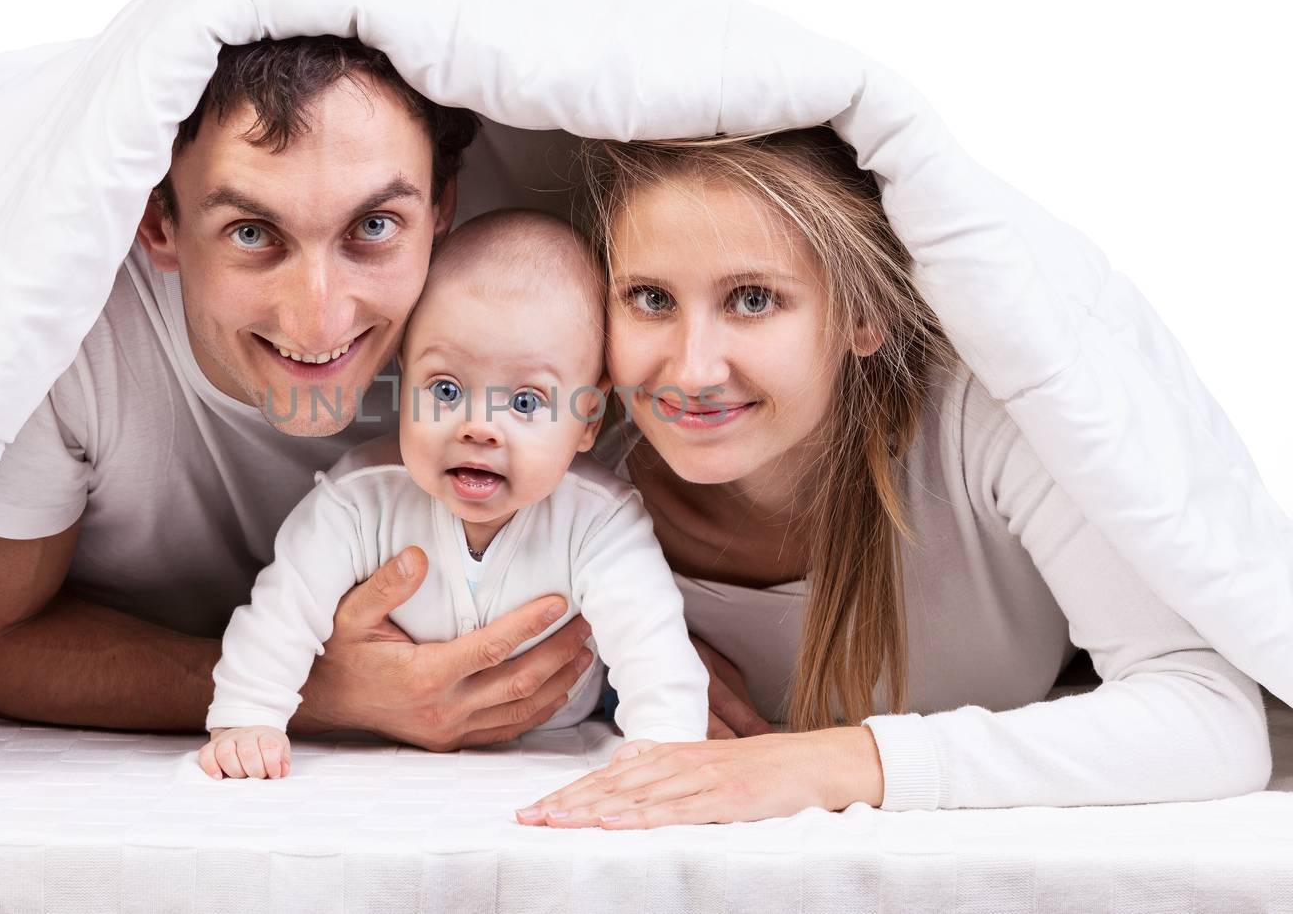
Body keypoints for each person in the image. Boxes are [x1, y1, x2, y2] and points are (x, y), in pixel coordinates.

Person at [515, 127, 1273, 828]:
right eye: (651, 299)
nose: (692, 368)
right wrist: (616, 671)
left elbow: (1214, 718)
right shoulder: (570, 491)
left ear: (863, 316)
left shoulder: (987, 422)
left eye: (753, 299)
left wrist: (837, 763)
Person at [0, 37, 601, 751]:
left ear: (440, 211)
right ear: (160, 225)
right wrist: (312, 692)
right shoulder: (67, 332)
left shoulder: (526, 296)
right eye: (252, 232)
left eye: (373, 228)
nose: (320, 321)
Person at [197, 210, 708, 779]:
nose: (478, 427)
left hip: (556, 736)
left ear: (588, 417)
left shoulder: (599, 520)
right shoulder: (360, 501)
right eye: (445, 389)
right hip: (386, 738)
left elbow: (650, 640)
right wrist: (249, 715)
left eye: (525, 403)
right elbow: (283, 611)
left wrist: (666, 741)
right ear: (401, 382)